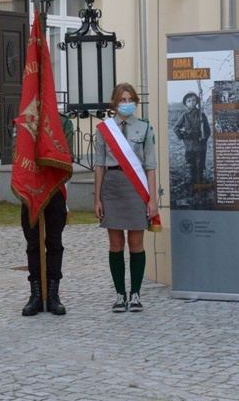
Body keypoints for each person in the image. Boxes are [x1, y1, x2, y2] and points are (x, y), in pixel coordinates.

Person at [94, 83, 158, 313]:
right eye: (122, 99)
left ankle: (136, 294)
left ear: (136, 102)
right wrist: (97, 198)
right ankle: (120, 294)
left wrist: (152, 199)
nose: (126, 103)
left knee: (136, 244)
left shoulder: (145, 127)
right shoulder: (104, 130)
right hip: (112, 187)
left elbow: (150, 166)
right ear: (114, 102)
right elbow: (99, 165)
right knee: (115, 244)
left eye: (130, 99)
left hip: (136, 189)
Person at [20, 113, 73, 317]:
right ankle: (35, 295)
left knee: (54, 242)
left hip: (54, 188)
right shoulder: (24, 120)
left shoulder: (64, 122)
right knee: (33, 244)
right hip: (30, 190)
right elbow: (19, 155)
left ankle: (52, 295)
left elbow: (67, 154)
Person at [172, 92, 211, 193]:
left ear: (197, 102)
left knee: (200, 167)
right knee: (190, 166)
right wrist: (183, 137)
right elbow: (176, 128)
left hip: (200, 146)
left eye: (193, 100)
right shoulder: (184, 115)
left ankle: (200, 188)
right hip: (189, 146)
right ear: (185, 103)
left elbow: (208, 130)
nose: (192, 103)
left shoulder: (201, 115)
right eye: (189, 101)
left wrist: (204, 138)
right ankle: (191, 187)